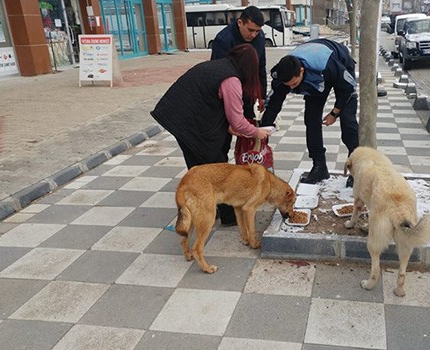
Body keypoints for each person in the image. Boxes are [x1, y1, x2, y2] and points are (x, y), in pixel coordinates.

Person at [150, 44, 271, 226]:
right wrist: (257, 132)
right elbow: (237, 120)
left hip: (179, 115)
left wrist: (229, 127)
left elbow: (211, 102)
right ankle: (228, 217)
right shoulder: (231, 80)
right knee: (219, 169)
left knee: (199, 166)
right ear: (250, 68)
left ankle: (204, 209)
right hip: (185, 120)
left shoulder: (221, 66)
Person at [260, 38, 359, 187]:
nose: (291, 87)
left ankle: (356, 169)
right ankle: (319, 166)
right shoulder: (281, 75)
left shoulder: (328, 65)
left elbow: (347, 89)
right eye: (288, 86)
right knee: (311, 120)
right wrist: (263, 129)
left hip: (339, 67)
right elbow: (274, 104)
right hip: (315, 78)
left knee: (348, 122)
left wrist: (334, 113)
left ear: (301, 70)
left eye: (294, 84)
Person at [211, 6, 267, 119]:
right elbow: (216, 73)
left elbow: (261, 68)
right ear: (240, 22)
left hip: (249, 93)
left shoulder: (260, 38)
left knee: (248, 128)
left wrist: (262, 96)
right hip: (228, 93)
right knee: (226, 130)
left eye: (257, 31)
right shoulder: (223, 40)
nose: (253, 35)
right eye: (250, 30)